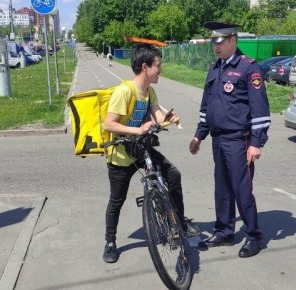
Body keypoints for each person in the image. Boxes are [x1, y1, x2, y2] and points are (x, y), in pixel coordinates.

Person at [102, 43, 200, 263]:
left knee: (173, 175)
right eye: (158, 66)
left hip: (141, 149)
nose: (161, 70)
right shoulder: (124, 91)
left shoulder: (150, 91)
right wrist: (137, 129)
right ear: (145, 67)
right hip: (120, 155)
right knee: (116, 200)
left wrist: (168, 119)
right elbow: (109, 124)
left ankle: (180, 223)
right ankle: (110, 242)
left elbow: (156, 117)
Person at [189, 21, 271, 258]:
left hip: (239, 140)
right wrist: (199, 135)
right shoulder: (215, 68)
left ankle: (254, 235)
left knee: (241, 189)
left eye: (220, 42)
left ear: (233, 40)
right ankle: (225, 231)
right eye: (214, 42)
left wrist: (256, 142)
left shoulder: (249, 68)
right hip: (218, 139)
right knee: (222, 189)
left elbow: (260, 111)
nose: (216, 47)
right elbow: (207, 107)